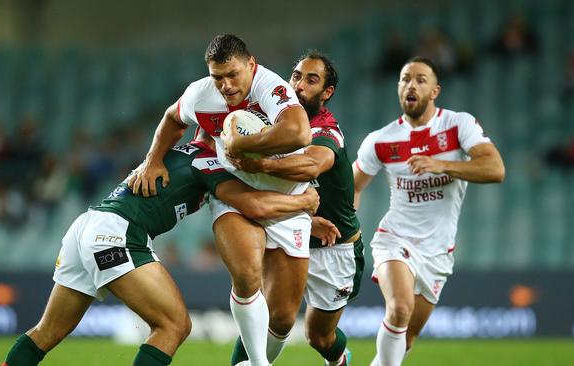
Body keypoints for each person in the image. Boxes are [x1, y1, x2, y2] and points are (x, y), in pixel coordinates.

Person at [0, 134, 320, 366]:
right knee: (174, 325)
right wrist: (303, 203)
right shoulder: (210, 163)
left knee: (47, 331)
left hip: (88, 226)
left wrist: (305, 222)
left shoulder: (188, 152)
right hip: (119, 233)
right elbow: (253, 205)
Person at [130, 34, 312, 366]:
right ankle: (257, 363)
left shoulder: (271, 88)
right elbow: (172, 119)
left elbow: (299, 133)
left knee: (284, 317)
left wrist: (241, 145)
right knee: (246, 276)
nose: (226, 85)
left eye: (233, 75)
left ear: (251, 65)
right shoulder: (201, 94)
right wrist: (152, 160)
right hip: (234, 190)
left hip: (287, 196)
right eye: (218, 77)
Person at [352, 57, 505, 366]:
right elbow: (352, 187)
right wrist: (346, 234)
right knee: (399, 309)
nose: (411, 85)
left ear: (435, 90)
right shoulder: (381, 141)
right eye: (405, 78)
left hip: (438, 252)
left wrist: (441, 164)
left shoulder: (458, 125)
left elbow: (495, 169)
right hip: (395, 239)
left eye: (420, 80)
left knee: (406, 337)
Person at [227, 51, 363, 366]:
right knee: (272, 316)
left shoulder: (326, 131)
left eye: (311, 79)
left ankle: (339, 358)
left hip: (335, 247)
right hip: (291, 228)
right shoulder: (274, 120)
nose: (299, 85)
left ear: (327, 93)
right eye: (296, 76)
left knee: (319, 337)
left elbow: (310, 166)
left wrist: (257, 162)